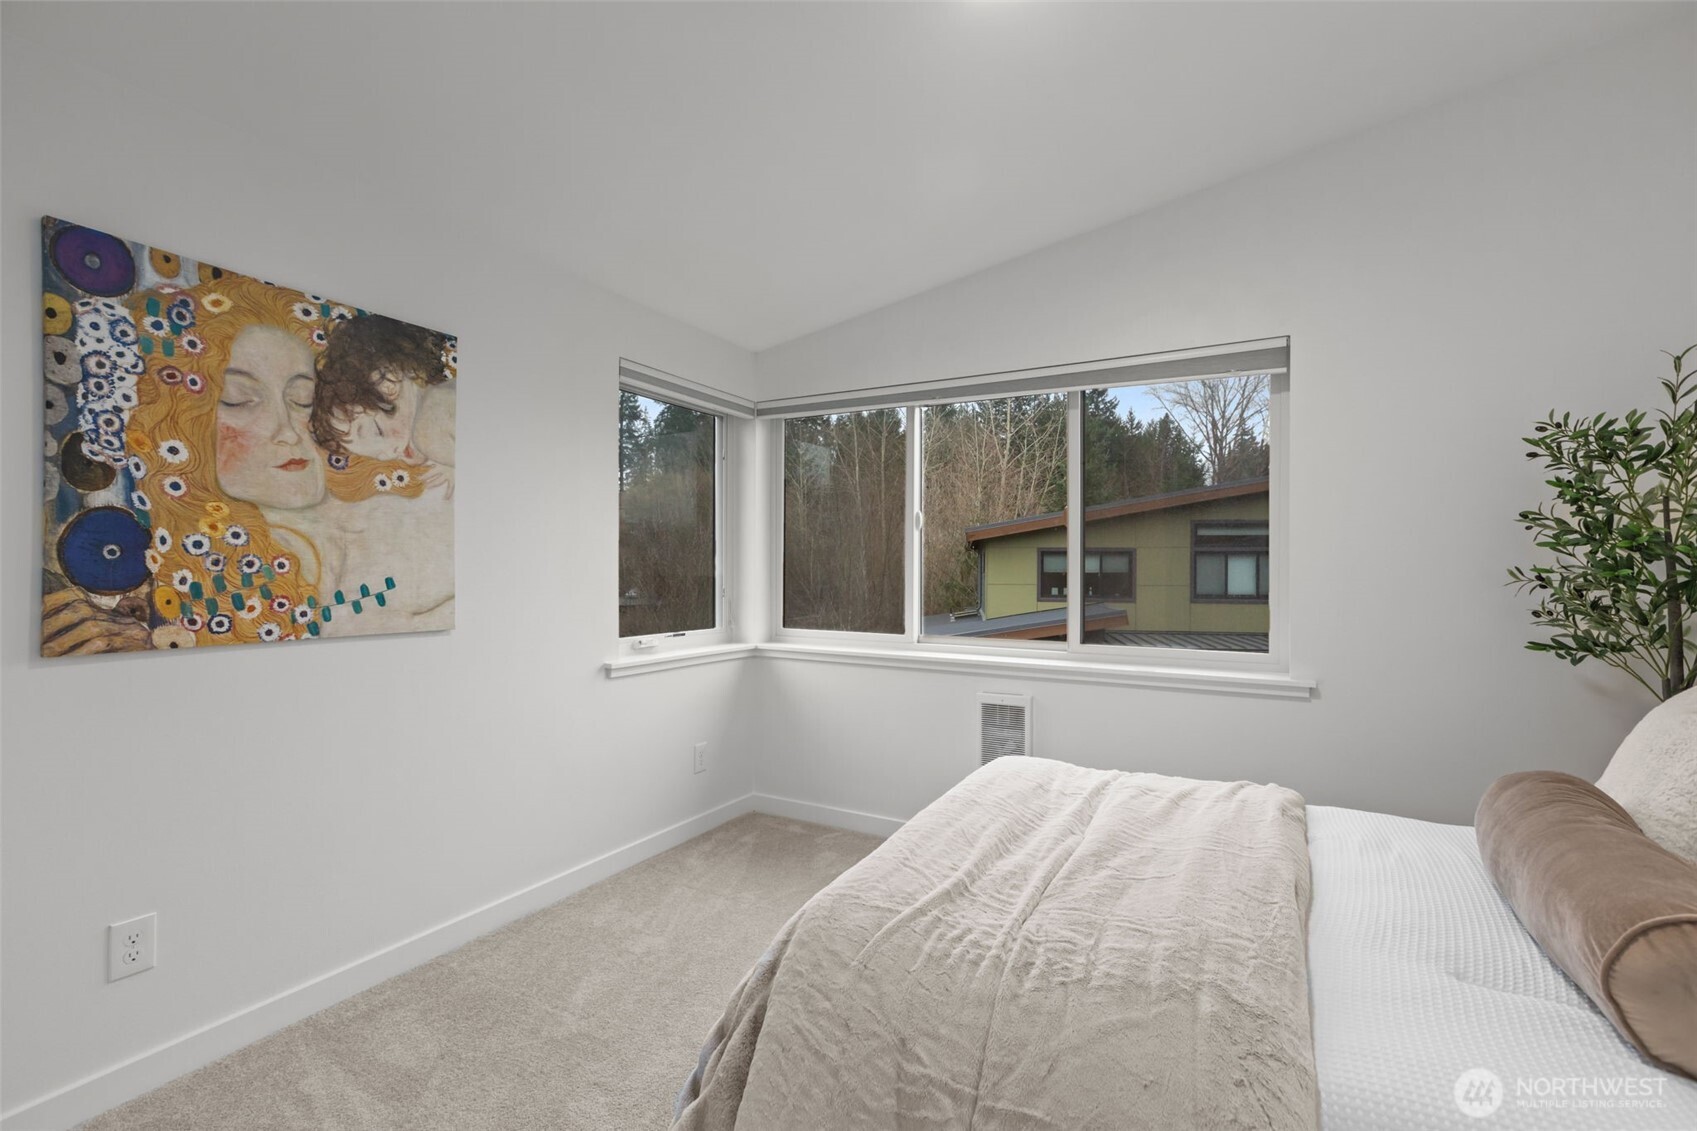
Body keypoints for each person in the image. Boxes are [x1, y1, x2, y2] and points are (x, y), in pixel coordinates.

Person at [311, 313, 456, 497]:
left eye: (379, 432)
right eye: (377, 455)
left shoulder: (427, 434)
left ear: (389, 383)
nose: (389, 455)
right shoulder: (444, 395)